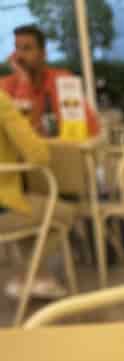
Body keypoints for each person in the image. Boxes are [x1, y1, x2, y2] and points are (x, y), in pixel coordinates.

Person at [0, 89, 72, 299]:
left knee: (33, 209)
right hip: (5, 208)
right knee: (64, 213)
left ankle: (37, 276)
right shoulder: (2, 101)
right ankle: (27, 276)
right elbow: (40, 155)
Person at [0, 24, 100, 137]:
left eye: (27, 49)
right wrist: (24, 81)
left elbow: (91, 128)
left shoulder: (62, 81)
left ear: (43, 54)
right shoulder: (5, 85)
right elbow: (17, 134)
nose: (19, 56)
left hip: (60, 147)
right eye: (17, 48)